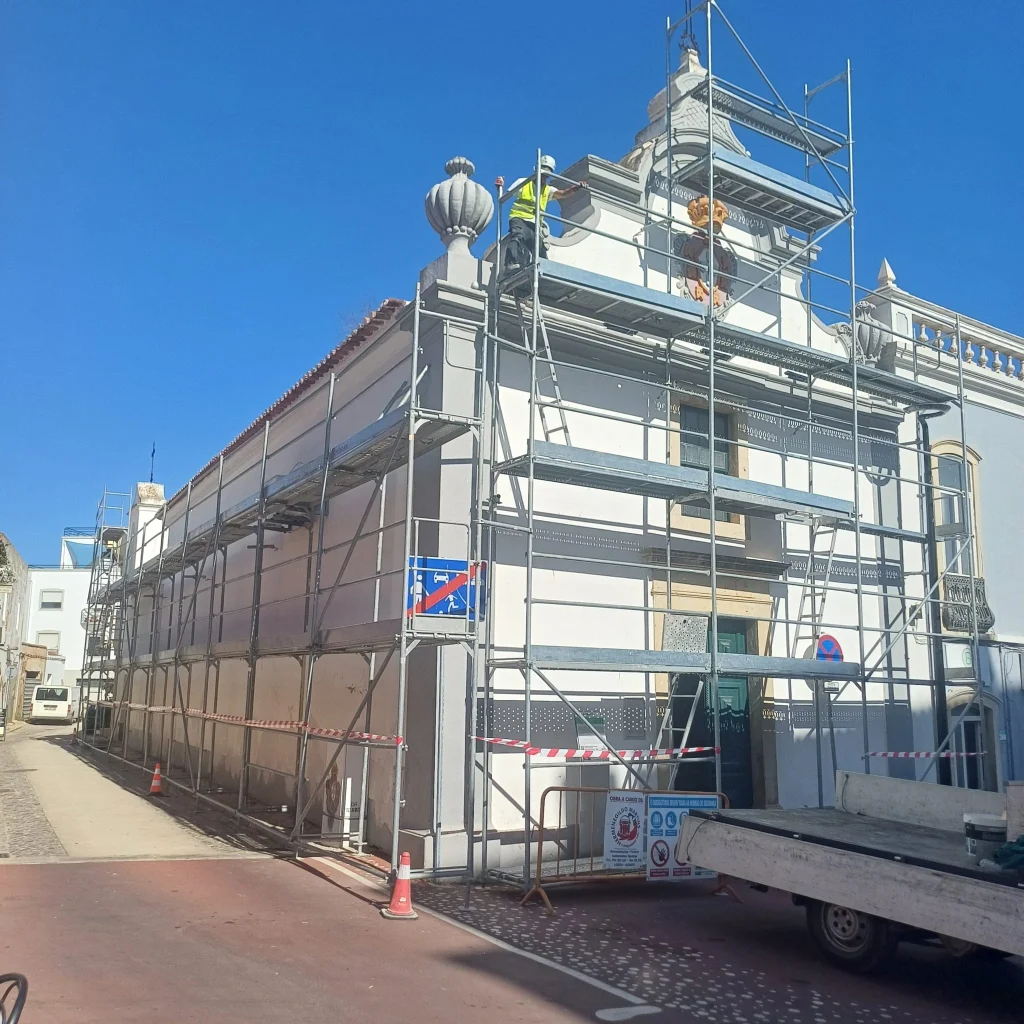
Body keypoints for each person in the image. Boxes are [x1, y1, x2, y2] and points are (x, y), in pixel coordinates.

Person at [496, 155, 587, 271]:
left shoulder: (547, 189)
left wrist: (576, 188)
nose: (543, 178)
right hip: (519, 217)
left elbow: (563, 194)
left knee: (538, 247)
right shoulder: (523, 182)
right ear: (536, 171)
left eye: (546, 176)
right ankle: (510, 263)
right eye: (542, 174)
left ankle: (544, 269)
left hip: (534, 223)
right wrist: (499, 187)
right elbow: (506, 197)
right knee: (518, 236)